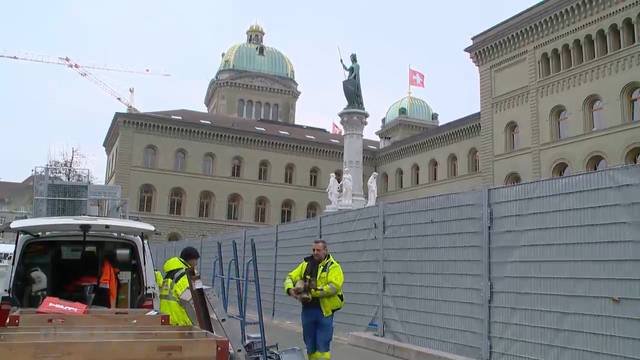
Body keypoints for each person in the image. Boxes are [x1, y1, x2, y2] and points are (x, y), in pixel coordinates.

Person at [284, 240, 344, 360]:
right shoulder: (306, 264)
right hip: (308, 311)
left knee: (322, 345)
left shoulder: (333, 266)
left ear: (325, 251)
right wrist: (290, 289)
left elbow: (334, 287)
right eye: (313, 250)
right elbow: (290, 277)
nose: (315, 252)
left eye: (318, 250)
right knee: (310, 345)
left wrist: (311, 291)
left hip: (325, 311)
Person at [159, 246, 200, 326]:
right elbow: (192, 300)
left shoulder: (169, 274)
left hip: (165, 318)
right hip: (179, 320)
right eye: (196, 260)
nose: (196, 263)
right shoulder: (186, 275)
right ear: (190, 260)